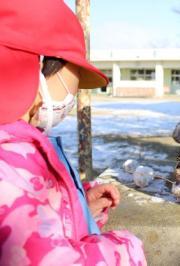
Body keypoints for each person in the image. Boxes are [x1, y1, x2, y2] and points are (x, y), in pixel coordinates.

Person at [0, 1, 146, 265]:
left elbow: (31, 229)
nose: (75, 92)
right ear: (36, 66)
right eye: (76, 72)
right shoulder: (11, 159)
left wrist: (77, 208)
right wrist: (126, 251)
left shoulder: (18, 147)